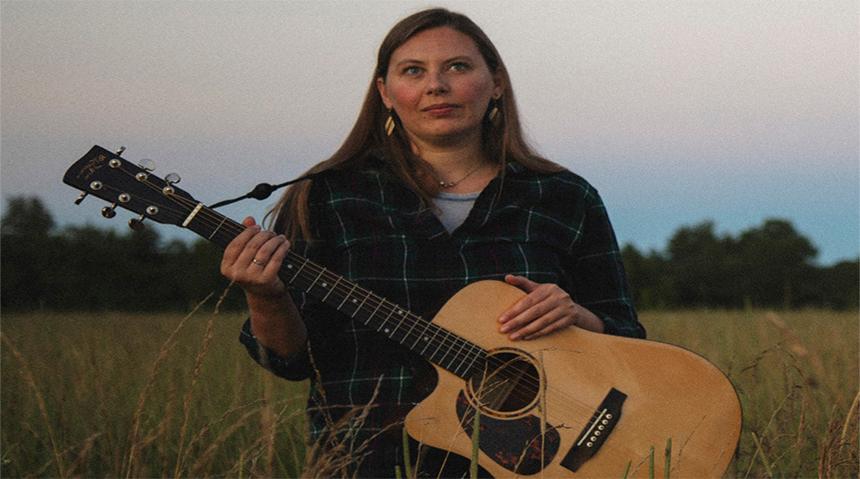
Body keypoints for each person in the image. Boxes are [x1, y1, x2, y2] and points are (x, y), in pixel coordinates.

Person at [220, 7, 645, 478]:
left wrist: (577, 316)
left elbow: (628, 338)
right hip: (369, 461)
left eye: (458, 67)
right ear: (385, 92)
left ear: (496, 82)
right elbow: (290, 360)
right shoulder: (329, 196)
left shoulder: (565, 197)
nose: (436, 86)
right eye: (413, 71)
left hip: (531, 465)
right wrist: (265, 296)